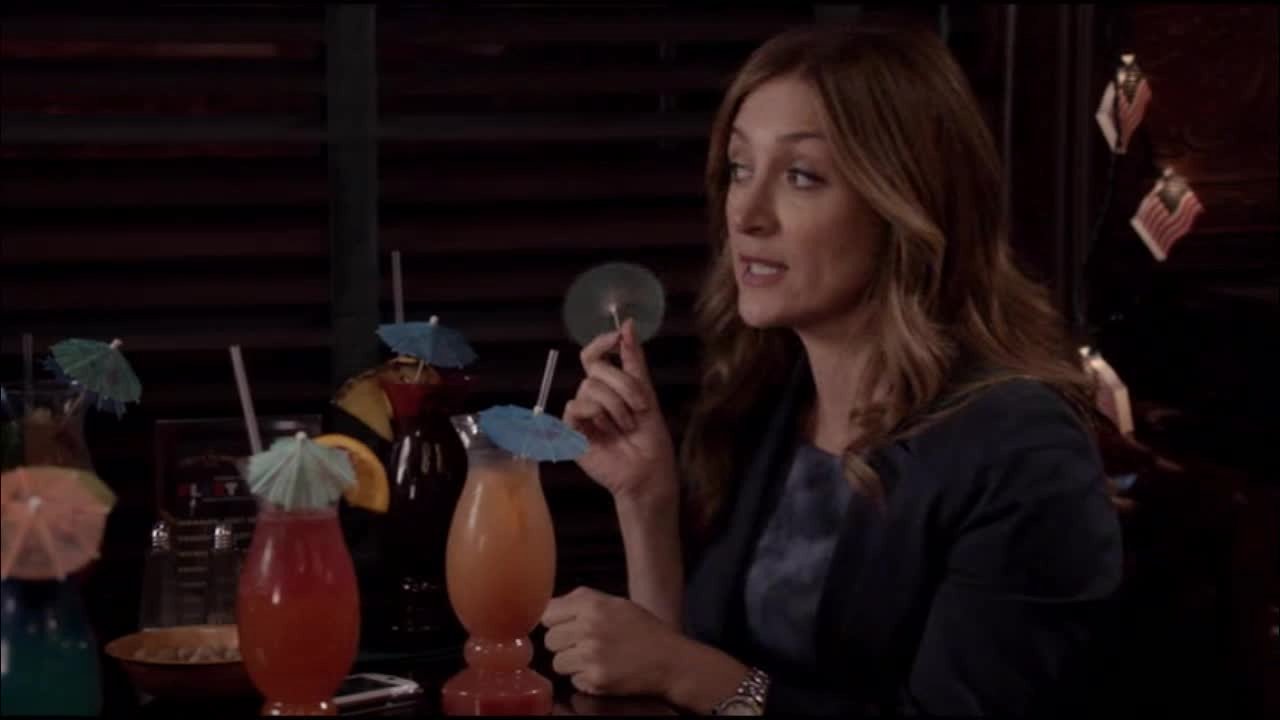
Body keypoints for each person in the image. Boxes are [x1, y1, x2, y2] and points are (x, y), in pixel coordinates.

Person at [540, 21, 1123, 717]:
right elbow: (684, 680)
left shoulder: (1021, 451)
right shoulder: (767, 398)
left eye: (801, 176)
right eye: (739, 168)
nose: (746, 214)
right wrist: (646, 502)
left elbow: (699, 680)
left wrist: (690, 673)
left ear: (903, 202)